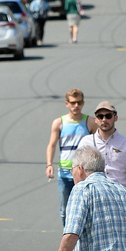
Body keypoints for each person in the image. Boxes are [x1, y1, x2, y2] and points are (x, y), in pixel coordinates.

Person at [77, 101, 126, 208]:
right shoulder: (86, 142)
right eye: (100, 116)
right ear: (96, 119)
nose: (104, 119)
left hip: (120, 198)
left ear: (115, 118)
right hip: (93, 197)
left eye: (108, 116)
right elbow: (78, 170)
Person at [46, 88, 98, 225]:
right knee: (65, 209)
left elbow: (97, 146)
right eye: (73, 102)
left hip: (84, 172)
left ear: (83, 103)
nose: (76, 106)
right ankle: (68, 237)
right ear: (67, 104)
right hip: (65, 171)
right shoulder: (59, 123)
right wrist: (49, 164)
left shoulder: (90, 122)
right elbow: (52, 144)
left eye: (79, 102)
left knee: (85, 207)